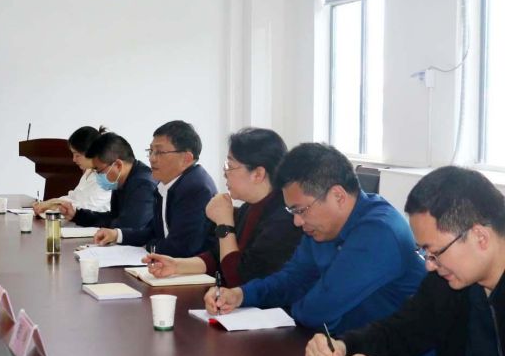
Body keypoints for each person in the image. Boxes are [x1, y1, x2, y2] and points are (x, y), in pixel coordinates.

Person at [304, 166, 505, 356]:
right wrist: (343, 345)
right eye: (424, 252)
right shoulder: (447, 281)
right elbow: (402, 332)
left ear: (480, 237)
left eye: (435, 252)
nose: (429, 265)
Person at [205, 143, 425, 334]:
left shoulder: (379, 232)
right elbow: (293, 279)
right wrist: (241, 295)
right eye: (292, 212)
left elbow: (317, 311)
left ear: (338, 196)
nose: (297, 222)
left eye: (300, 210)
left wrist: (301, 307)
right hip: (346, 346)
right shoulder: (322, 228)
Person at [142, 128, 301, 286]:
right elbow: (217, 257)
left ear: (258, 174)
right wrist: (176, 265)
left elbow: (238, 279)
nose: (225, 173)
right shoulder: (250, 207)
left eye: (230, 166)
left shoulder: (284, 218)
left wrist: (225, 224)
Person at [93, 121, 216, 256]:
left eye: (159, 152)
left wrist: (150, 245)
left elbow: (181, 248)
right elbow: (153, 231)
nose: (152, 158)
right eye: (151, 151)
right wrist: (117, 234)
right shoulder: (166, 185)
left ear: (186, 158)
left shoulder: (196, 189)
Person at [59, 132, 155, 231]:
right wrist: (77, 215)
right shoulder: (120, 180)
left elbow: (128, 228)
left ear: (118, 165)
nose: (97, 175)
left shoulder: (143, 185)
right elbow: (112, 217)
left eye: (98, 170)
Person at [32, 126, 112, 215]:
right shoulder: (90, 172)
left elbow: (88, 208)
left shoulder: (109, 176)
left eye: (77, 155)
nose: (74, 159)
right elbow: (74, 197)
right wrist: (47, 203)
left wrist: (53, 205)